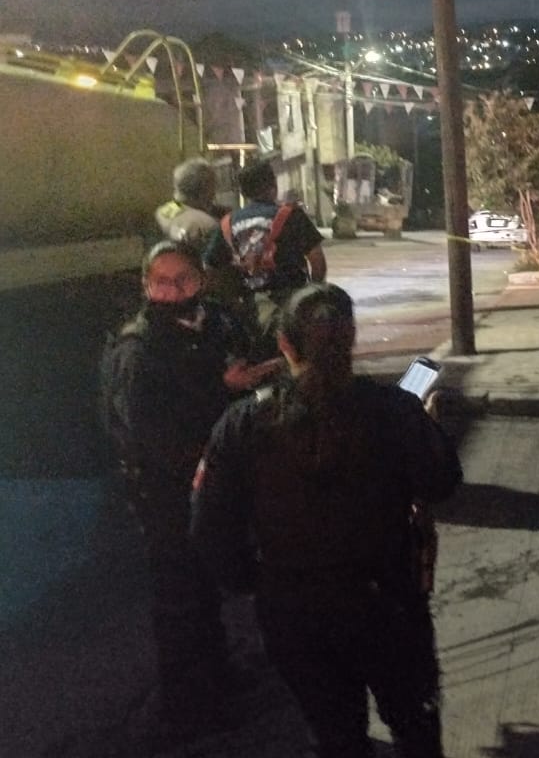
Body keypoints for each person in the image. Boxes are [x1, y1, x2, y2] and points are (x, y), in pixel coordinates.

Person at [191, 284, 461, 758]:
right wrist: (426, 427)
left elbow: (210, 528)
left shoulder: (243, 423)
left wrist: (259, 581)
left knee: (335, 737)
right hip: (388, 604)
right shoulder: (394, 411)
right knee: (415, 729)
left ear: (284, 345)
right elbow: (441, 482)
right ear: (351, 338)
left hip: (294, 613)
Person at [99, 241, 268, 739]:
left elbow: (243, 354)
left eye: (182, 281)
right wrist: (225, 389)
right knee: (179, 601)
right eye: (161, 282)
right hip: (166, 495)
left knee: (208, 586)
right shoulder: (137, 347)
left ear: (201, 281)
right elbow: (151, 433)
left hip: (213, 483)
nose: (171, 292)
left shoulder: (213, 321)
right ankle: (189, 708)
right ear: (145, 284)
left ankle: (218, 678)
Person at [205, 158, 327, 356]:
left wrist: (232, 301)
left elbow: (210, 270)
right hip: (292, 303)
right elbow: (317, 261)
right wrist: (313, 292)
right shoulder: (292, 215)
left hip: (249, 309)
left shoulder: (227, 224)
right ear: (274, 185)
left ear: (243, 193)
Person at [154, 157, 225, 249]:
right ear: (203, 188)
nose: (214, 193)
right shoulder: (207, 225)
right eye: (213, 185)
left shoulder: (163, 212)